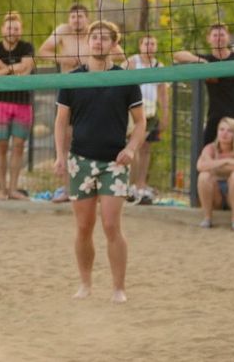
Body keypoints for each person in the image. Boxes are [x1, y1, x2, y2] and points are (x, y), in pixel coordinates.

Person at [53, 20, 145, 303]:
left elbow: (141, 123)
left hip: (114, 162)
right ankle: (85, 284)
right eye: (94, 37)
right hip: (80, 161)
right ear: (87, 41)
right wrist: (59, 156)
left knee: (111, 225)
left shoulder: (125, 79)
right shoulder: (73, 78)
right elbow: (61, 121)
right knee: (84, 226)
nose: (98, 41)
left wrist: (131, 148)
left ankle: (118, 288)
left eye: (105, 38)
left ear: (114, 44)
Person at [173, 24, 234, 147]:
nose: (218, 38)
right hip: (215, 118)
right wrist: (203, 62)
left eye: (222, 35)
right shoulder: (206, 60)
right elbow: (177, 56)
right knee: (206, 151)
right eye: (215, 35)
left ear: (228, 37)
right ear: (208, 38)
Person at [0, 11, 35, 200]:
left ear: (21, 30)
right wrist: (13, 68)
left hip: (23, 103)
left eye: (16, 28)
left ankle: (13, 188)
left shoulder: (27, 47)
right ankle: (2, 190)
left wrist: (2, 67)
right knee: (1, 145)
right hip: (1, 103)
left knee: (19, 146)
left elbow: (24, 71)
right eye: (9, 28)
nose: (12, 31)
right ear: (2, 29)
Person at [126, 35, 170, 202]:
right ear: (140, 45)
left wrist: (165, 115)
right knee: (134, 146)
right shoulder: (132, 62)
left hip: (150, 112)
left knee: (145, 148)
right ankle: (131, 185)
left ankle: (141, 183)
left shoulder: (159, 66)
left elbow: (163, 94)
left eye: (152, 44)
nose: (149, 46)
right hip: (133, 111)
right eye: (146, 43)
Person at [195, 117, 234, 230]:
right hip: (215, 193)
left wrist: (214, 165)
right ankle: (207, 218)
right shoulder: (210, 148)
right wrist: (227, 161)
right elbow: (200, 166)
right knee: (204, 176)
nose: (224, 134)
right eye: (221, 129)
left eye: (229, 131)